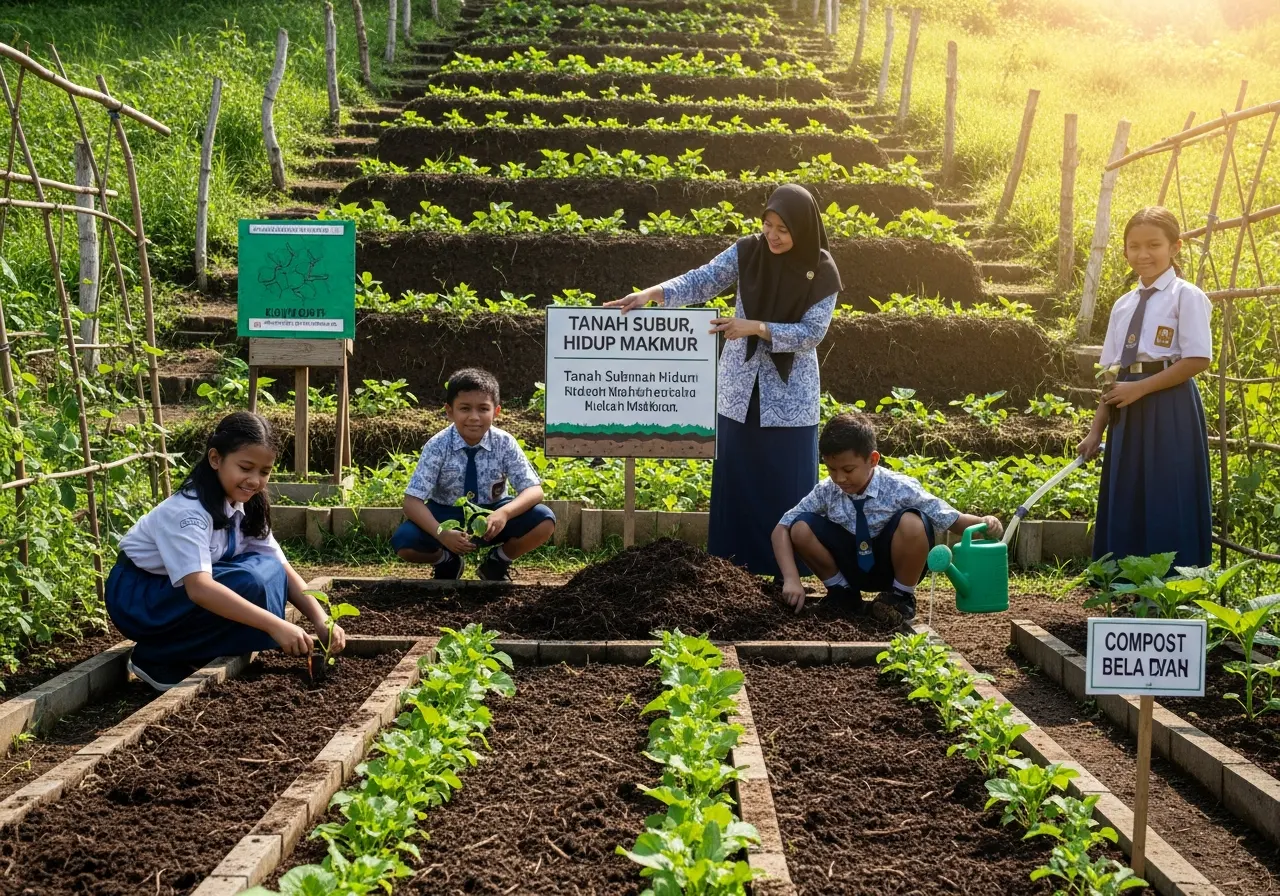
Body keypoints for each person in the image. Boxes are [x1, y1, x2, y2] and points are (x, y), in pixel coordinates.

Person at [606, 184, 841, 577]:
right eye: (767, 224)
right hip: (738, 390)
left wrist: (757, 327)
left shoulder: (822, 271)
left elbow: (812, 333)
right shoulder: (748, 251)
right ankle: (732, 574)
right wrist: (652, 294)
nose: (773, 235)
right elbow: (704, 279)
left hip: (790, 399)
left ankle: (788, 576)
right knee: (738, 482)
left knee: (786, 485)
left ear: (803, 227)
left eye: (783, 228)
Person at [106, 412, 345, 692]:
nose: (255, 480)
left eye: (264, 472)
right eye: (245, 468)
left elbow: (280, 566)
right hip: (140, 597)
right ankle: (157, 656)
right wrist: (276, 626)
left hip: (171, 593)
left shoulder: (246, 505)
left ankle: (193, 650)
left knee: (268, 573)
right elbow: (200, 589)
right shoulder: (188, 513)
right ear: (215, 459)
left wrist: (321, 619)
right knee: (248, 582)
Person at [772, 414, 1004, 623]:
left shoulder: (899, 487)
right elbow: (781, 528)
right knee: (800, 527)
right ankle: (842, 595)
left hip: (890, 568)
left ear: (873, 459)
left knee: (913, 521)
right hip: (849, 567)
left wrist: (984, 523)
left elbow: (950, 518)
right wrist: (791, 579)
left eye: (848, 469)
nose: (840, 478)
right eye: (832, 469)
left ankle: (900, 597)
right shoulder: (826, 492)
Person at [1079, 206, 1213, 567]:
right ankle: (1128, 582)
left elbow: (1198, 359)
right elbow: (1110, 373)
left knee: (1169, 488)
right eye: (1134, 246)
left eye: (1153, 244)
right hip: (1125, 405)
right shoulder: (1123, 305)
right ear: (1124, 251)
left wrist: (1140, 389)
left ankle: (1175, 581)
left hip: (1170, 404)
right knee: (1129, 490)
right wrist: (1096, 429)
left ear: (1176, 247)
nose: (1143, 254)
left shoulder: (1187, 296)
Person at [391, 367, 555, 580]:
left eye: (483, 409)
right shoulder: (438, 445)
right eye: (465, 408)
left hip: (492, 515)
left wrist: (504, 513)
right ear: (450, 411)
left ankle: (497, 562)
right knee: (405, 542)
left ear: (496, 412)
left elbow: (533, 490)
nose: (474, 417)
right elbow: (412, 501)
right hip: (447, 514)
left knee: (544, 520)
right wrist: (442, 533)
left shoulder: (504, 443)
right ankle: (447, 561)